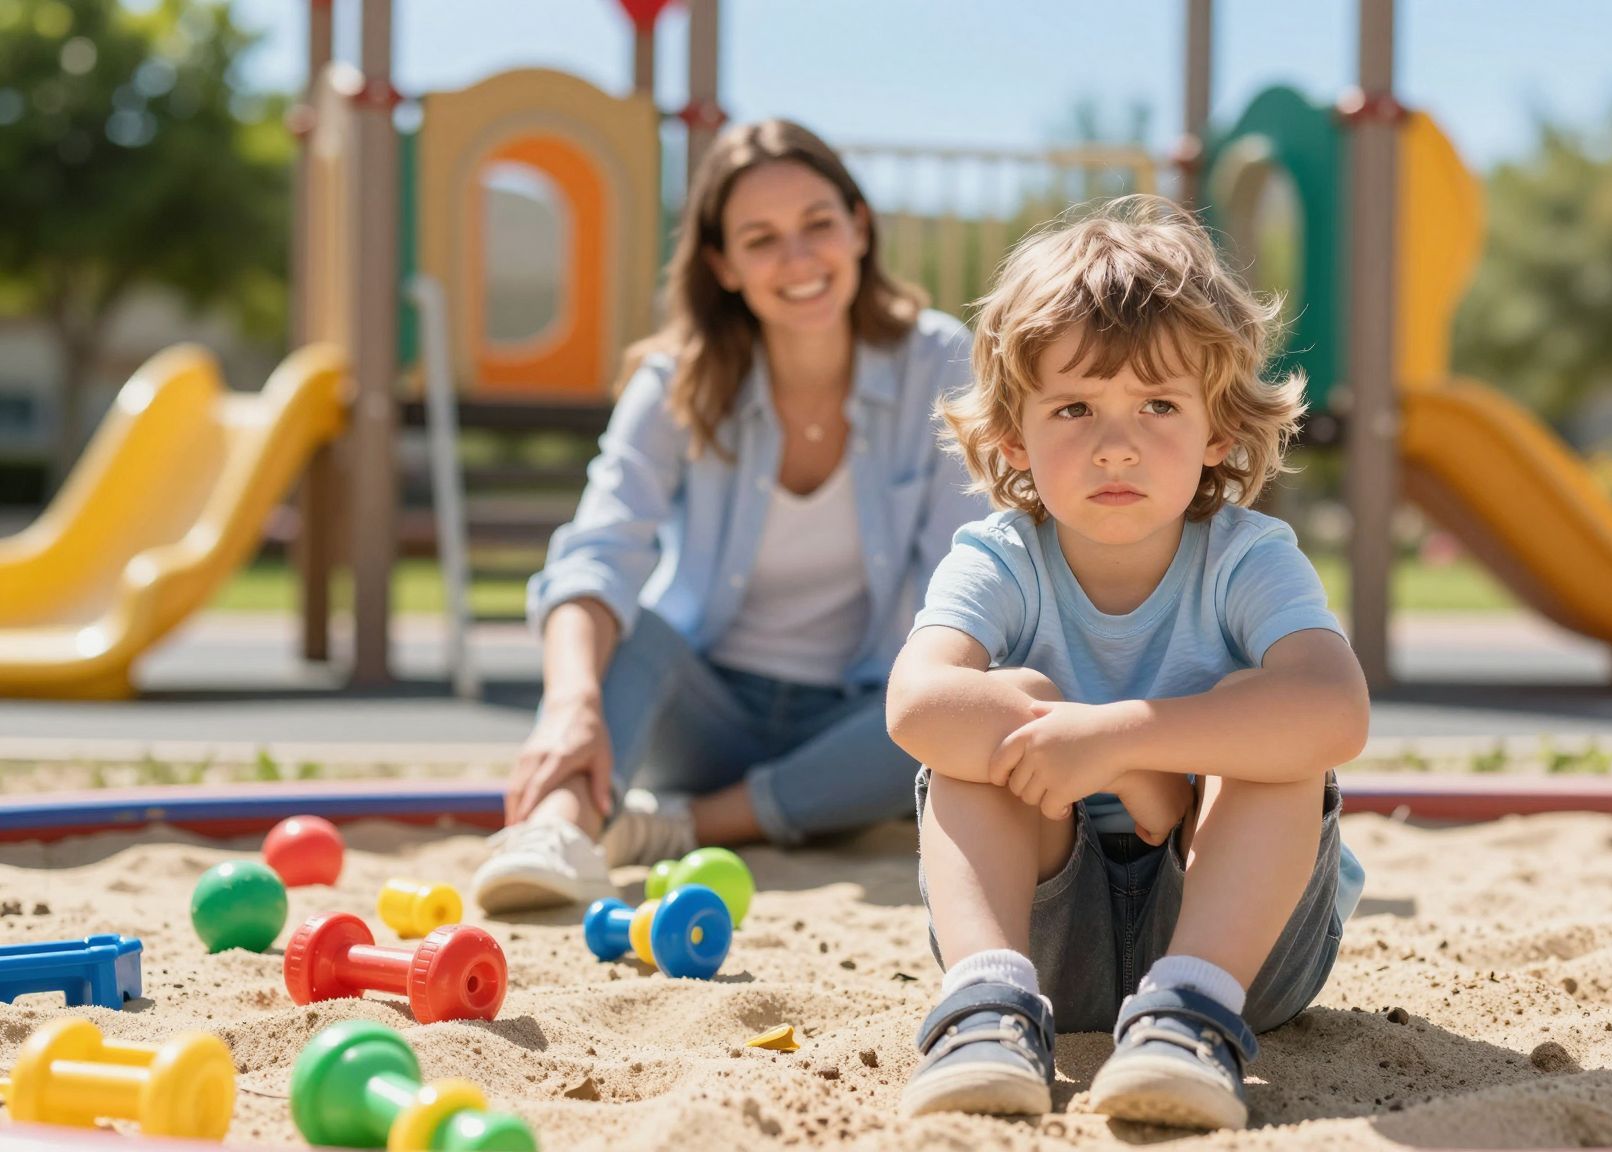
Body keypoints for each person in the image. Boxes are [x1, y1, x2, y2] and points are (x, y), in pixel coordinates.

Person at [885, 195, 1371, 1130]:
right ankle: (985, 1007)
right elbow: (915, 703)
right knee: (987, 710)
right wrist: (1070, 745)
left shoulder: (1248, 556)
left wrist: (1124, 743)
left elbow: (1336, 710)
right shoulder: (1001, 558)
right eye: (1074, 407)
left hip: (1243, 950)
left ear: (1218, 429)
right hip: (1048, 941)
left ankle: (1187, 1014)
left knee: (1271, 721)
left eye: (1157, 404)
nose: (1117, 443)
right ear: (1014, 437)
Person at [474, 119, 986, 914]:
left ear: (858, 226)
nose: (798, 259)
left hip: (866, 723)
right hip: (706, 714)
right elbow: (598, 551)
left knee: (973, 692)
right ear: (723, 264)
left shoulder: (940, 360)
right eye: (761, 239)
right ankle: (561, 828)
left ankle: (686, 825)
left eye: (818, 224)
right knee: (620, 627)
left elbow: (974, 573)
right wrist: (572, 703)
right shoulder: (674, 379)